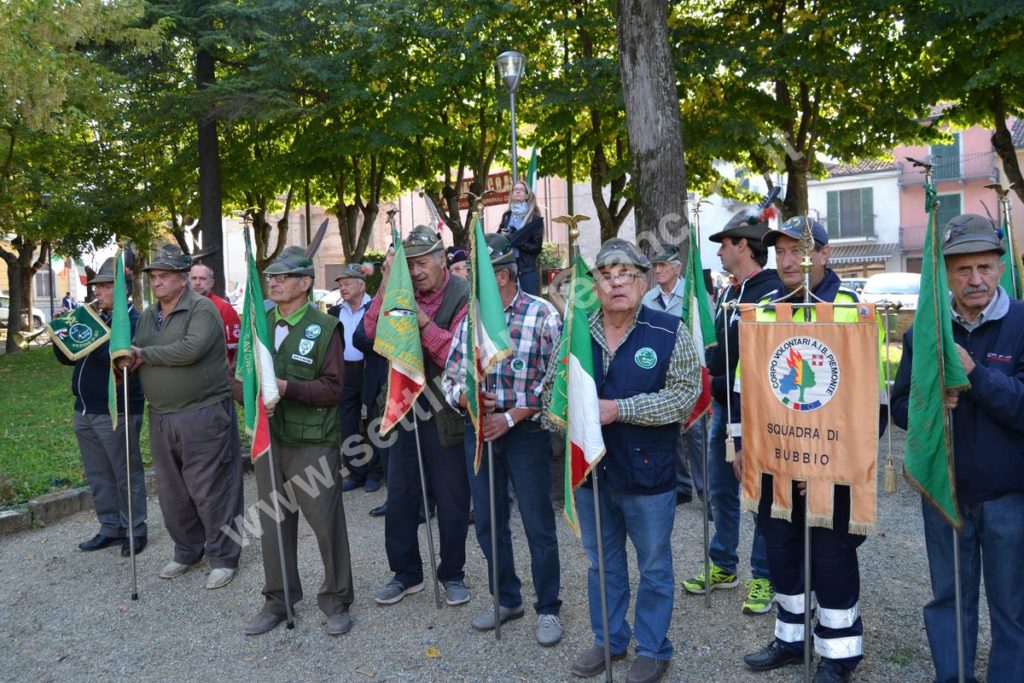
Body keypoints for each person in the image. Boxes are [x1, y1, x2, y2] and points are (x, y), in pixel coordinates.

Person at [555, 238, 701, 683]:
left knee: (654, 565)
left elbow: (683, 396)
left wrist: (620, 408)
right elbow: (552, 391)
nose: (617, 283)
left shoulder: (668, 330)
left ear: (644, 281)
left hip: (648, 472)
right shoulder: (577, 331)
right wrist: (564, 413)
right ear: (595, 285)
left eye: (627, 275)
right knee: (603, 563)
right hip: (593, 472)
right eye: (607, 276)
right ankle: (609, 640)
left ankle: (654, 648)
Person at [892, 213, 1024, 683]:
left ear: (1001, 267)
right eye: (963, 269)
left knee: (1012, 608)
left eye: (984, 267)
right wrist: (931, 405)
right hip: (943, 494)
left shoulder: (1023, 324)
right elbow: (900, 406)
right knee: (949, 600)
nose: (975, 280)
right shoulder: (922, 334)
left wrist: (975, 375)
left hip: (1009, 497)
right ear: (946, 273)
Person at [741, 217, 872, 683]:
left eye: (798, 250)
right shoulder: (767, 308)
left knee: (832, 557)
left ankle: (838, 655)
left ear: (823, 254)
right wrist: (740, 443)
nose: (788, 260)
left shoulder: (848, 307)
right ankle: (791, 640)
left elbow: (864, 394)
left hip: (831, 461)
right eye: (780, 252)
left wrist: (843, 459)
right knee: (781, 552)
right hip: (775, 459)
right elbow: (748, 385)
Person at [443, 233, 564, 646]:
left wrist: (511, 416)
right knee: (489, 523)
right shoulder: (468, 318)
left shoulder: (543, 315)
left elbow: (555, 384)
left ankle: (548, 607)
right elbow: (451, 377)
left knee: (537, 523)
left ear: (502, 275)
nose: (469, 282)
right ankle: (507, 598)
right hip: (478, 430)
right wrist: (465, 397)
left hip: (525, 433)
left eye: (478, 274)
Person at [235, 246, 355, 637]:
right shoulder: (260, 323)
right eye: (271, 277)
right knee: (272, 525)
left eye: (283, 277)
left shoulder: (325, 328)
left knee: (325, 525)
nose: (273, 282)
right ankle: (277, 600)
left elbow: (334, 389)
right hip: (270, 442)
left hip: (312, 442)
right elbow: (241, 379)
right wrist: (249, 393)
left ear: (305, 284)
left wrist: (287, 388)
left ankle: (337, 601)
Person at [361, 225, 472, 607]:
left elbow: (455, 356)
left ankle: (452, 574)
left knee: (452, 498)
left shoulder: (463, 296)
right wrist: (388, 284)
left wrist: (420, 324)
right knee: (402, 496)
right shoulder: (398, 289)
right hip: (400, 406)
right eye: (409, 264)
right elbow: (372, 332)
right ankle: (406, 574)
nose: (417, 270)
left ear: (442, 260)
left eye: (422, 262)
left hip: (445, 410)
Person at [681, 210, 781, 616]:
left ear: (744, 245)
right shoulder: (729, 292)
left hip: (757, 413)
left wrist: (716, 384)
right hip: (724, 408)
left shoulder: (772, 293)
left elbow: (760, 362)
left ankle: (764, 573)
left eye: (724, 244)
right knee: (721, 491)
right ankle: (724, 564)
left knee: (759, 496)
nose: (719, 252)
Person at [125, 244, 243, 590]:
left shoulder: (202, 309)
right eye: (153, 277)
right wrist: (127, 359)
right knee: (172, 491)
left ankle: (223, 557)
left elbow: (190, 350)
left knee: (212, 488)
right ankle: (188, 550)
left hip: (203, 413)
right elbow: (135, 349)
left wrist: (144, 354)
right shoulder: (149, 315)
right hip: (162, 416)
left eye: (164, 276)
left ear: (182, 279)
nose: (157, 283)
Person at [56, 258, 147, 557]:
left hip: (117, 408)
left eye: (106, 286)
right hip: (83, 408)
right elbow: (68, 359)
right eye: (97, 286)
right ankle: (110, 527)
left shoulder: (134, 322)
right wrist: (63, 335)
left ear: (123, 292)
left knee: (125, 472)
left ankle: (135, 529)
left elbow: (120, 364)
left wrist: (93, 333)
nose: (99, 291)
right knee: (98, 474)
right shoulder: (91, 317)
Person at [641, 245, 706, 508]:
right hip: (659, 373)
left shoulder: (692, 297)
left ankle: (707, 492)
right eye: (654, 266)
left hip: (689, 372)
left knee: (697, 434)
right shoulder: (648, 299)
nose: (657, 270)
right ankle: (681, 486)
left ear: (677, 268)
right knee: (671, 432)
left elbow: (707, 335)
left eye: (662, 265)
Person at [328, 264, 383, 493]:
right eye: (340, 285)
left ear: (361, 285)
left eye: (347, 283)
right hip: (345, 372)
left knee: (374, 422)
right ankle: (356, 472)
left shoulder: (377, 308)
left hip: (370, 369)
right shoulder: (334, 313)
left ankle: (375, 472)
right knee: (347, 423)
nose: (342, 288)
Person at [497, 180, 544, 295]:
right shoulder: (507, 216)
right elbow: (499, 238)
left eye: (521, 190)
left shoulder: (534, 219)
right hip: (507, 266)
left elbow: (537, 248)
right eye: (515, 190)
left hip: (525, 269)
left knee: (528, 303)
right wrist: (502, 235)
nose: (518, 192)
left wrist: (517, 240)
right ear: (511, 194)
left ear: (527, 195)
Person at [189, 262, 241, 364]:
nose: (197, 283)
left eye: (202, 279)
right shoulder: (178, 306)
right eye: (193, 278)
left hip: (217, 373)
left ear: (211, 282)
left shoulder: (224, 308)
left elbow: (236, 349)